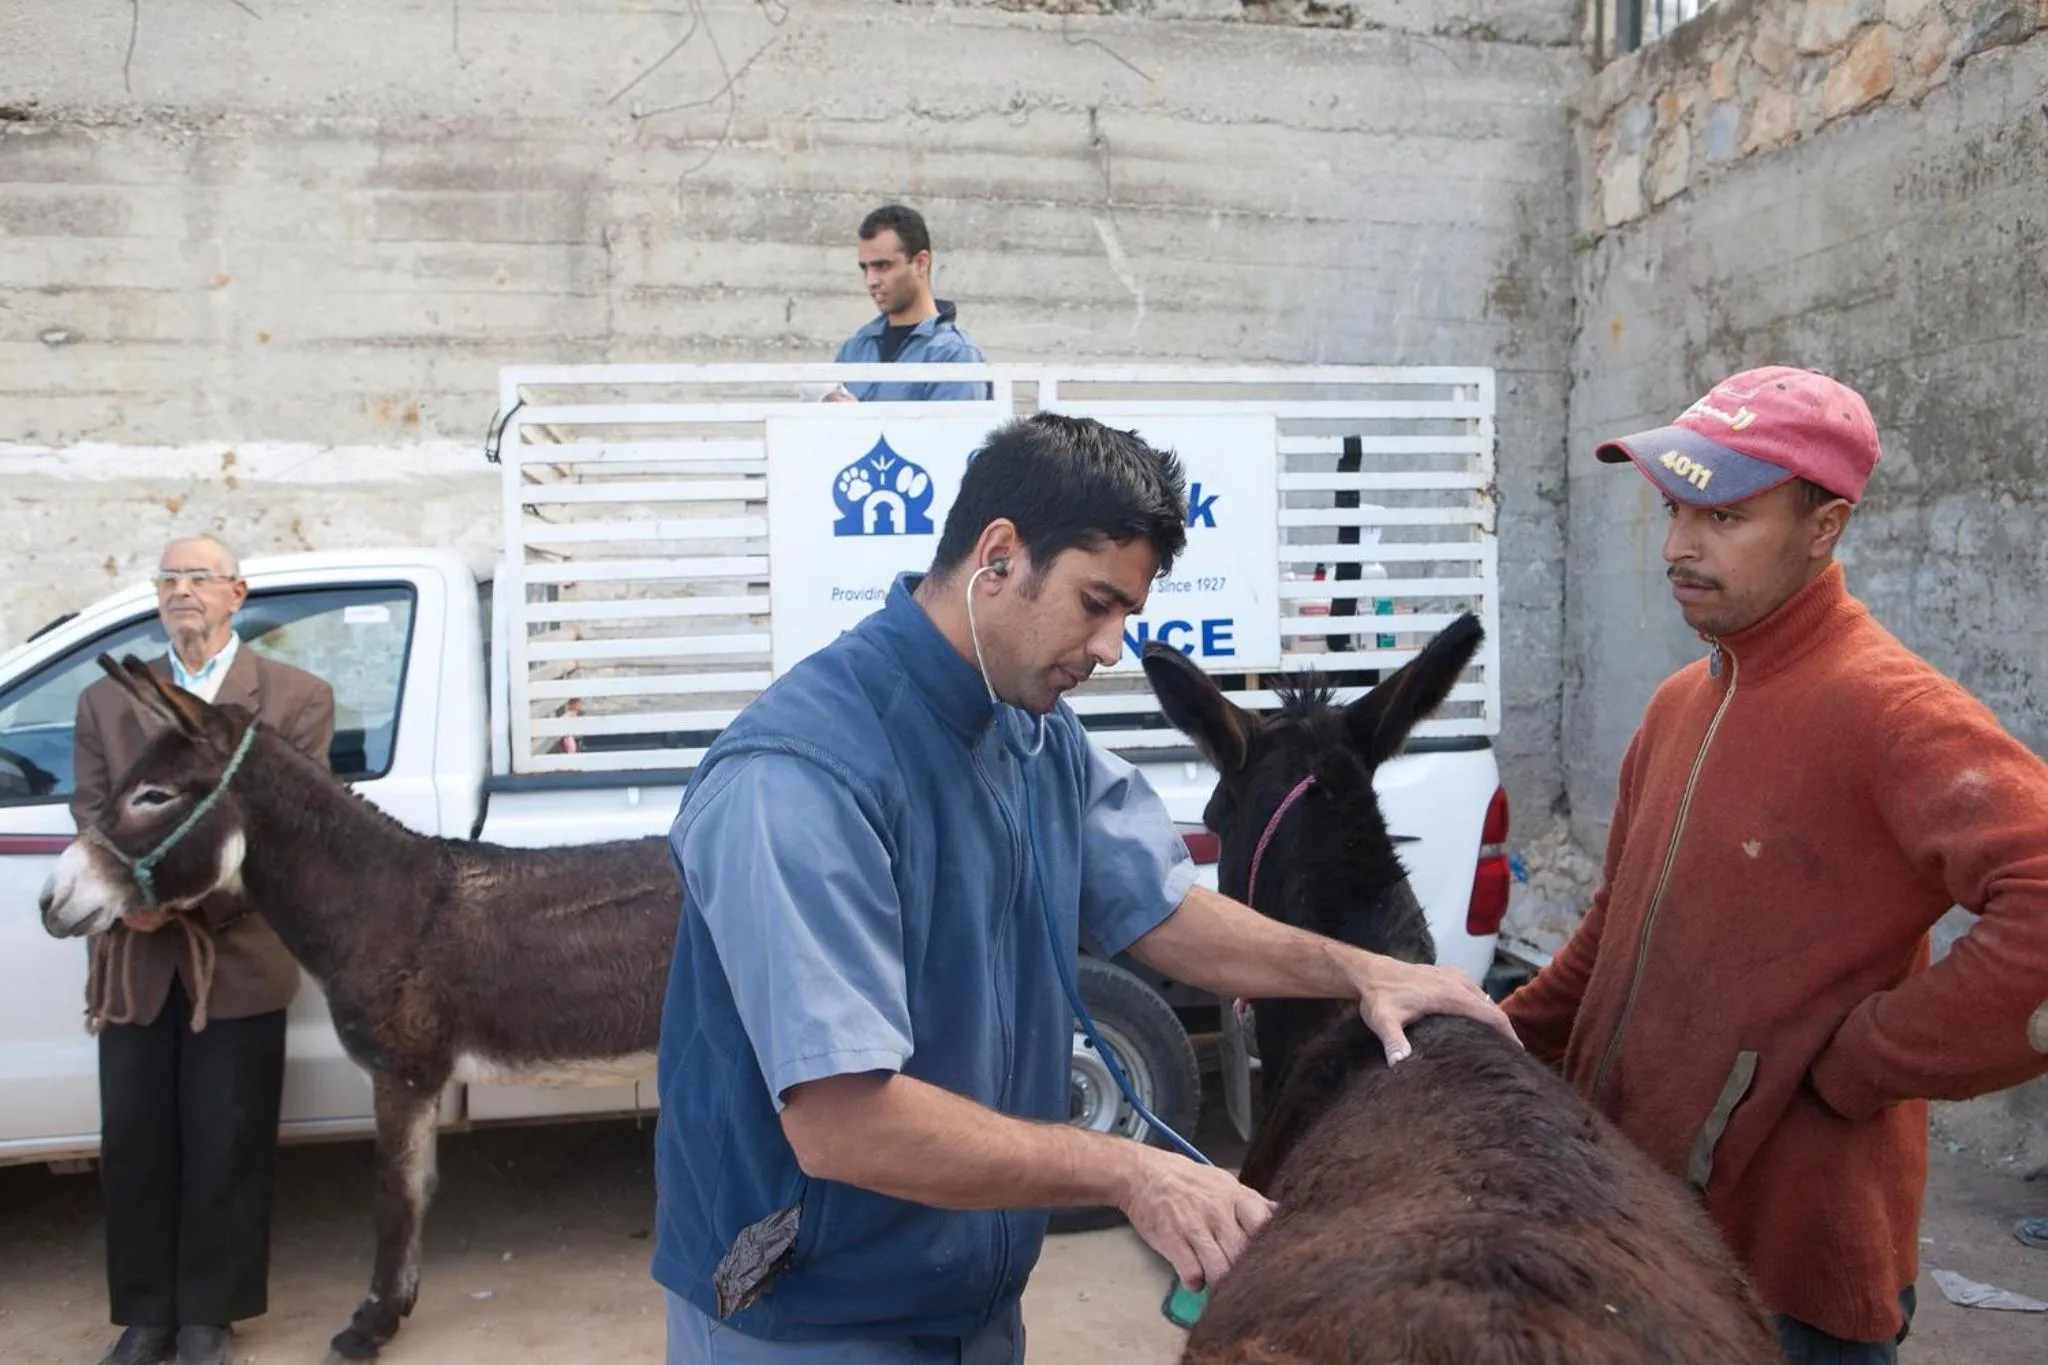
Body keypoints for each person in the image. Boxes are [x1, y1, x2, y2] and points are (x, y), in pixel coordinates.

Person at [653, 413, 1513, 1361]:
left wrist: (1362, 972)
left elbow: (1164, 910)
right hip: (807, 1321)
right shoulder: (801, 777)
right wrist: (1133, 1173)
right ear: (1000, 554)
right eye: (1094, 603)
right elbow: (843, 1123)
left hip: (969, 1307)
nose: (1110, 649)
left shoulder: (1029, 729)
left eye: (1127, 617)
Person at [1502, 367, 2048, 1365]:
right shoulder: (1679, 704)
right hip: (1635, 1226)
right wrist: (1489, 1039)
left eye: (1723, 517)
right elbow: (1614, 931)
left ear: (1822, 528)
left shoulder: (1886, 709)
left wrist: (1857, 1064)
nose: (1677, 547)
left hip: (1787, 1275)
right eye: (1673, 509)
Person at [73, 536, 335, 1365]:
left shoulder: (293, 697)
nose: (182, 591)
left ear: (237, 594)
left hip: (241, 952)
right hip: (136, 962)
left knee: (228, 1138)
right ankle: (145, 1315)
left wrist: (174, 895)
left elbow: (294, 832)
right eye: (169, 579)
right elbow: (94, 819)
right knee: (137, 1140)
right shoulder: (107, 703)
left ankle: (208, 1319)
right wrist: (133, 906)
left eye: (200, 578)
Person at [829, 203, 989, 402]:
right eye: (865, 268)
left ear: (921, 263)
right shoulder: (854, 348)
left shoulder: (954, 354)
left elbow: (955, 433)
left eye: (882, 265)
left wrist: (863, 422)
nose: (871, 281)